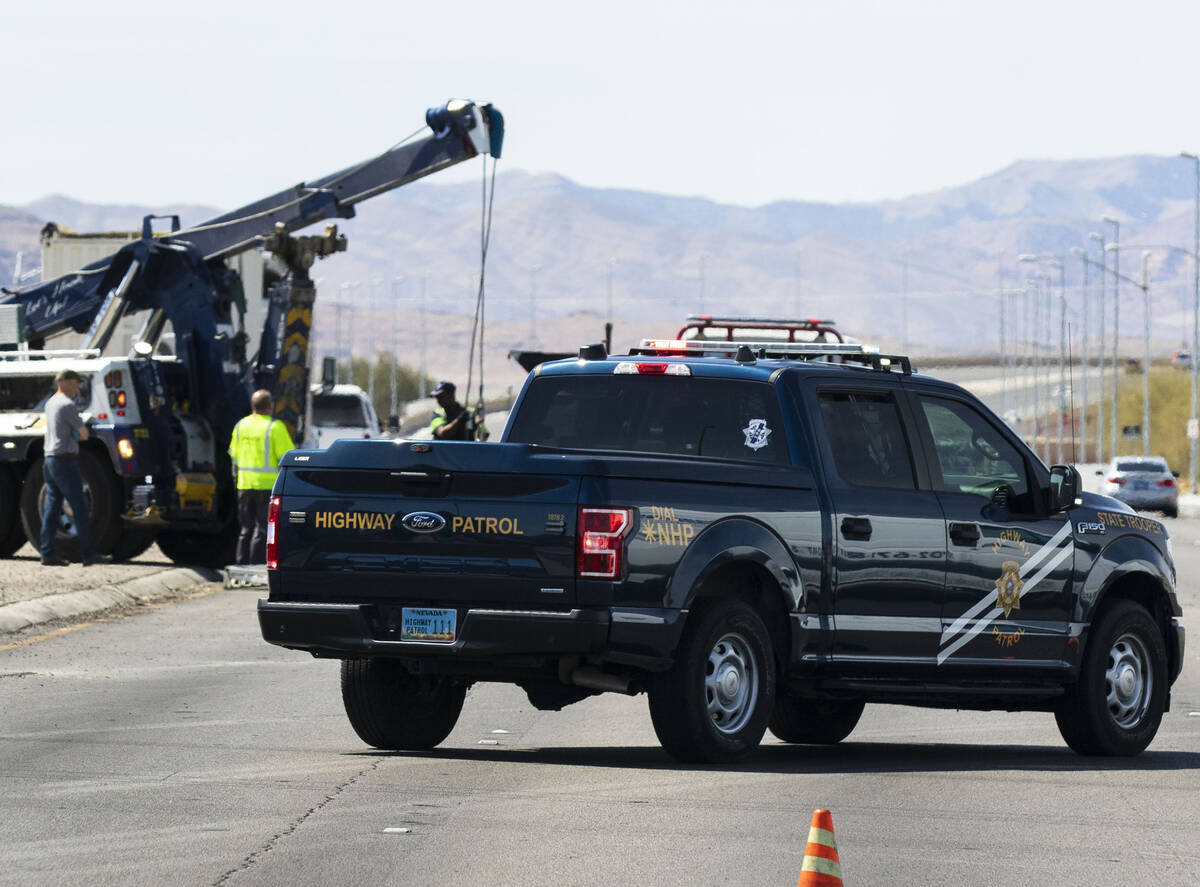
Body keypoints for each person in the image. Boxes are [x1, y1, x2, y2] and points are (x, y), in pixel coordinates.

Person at [41, 369, 98, 566]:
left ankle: (47, 553)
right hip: (64, 460)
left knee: (52, 507)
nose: (77, 388)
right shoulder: (67, 405)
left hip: (49, 459)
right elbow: (83, 435)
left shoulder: (50, 403)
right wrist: (76, 434)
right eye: (75, 383)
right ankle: (89, 555)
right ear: (64, 382)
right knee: (79, 507)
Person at [229, 390, 293, 565]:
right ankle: (255, 567)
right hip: (267, 486)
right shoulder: (275, 427)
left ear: (253, 406)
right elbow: (287, 457)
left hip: (244, 484)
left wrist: (236, 479)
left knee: (245, 528)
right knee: (263, 528)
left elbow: (233, 455)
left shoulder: (241, 426)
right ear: (270, 406)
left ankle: (241, 567)